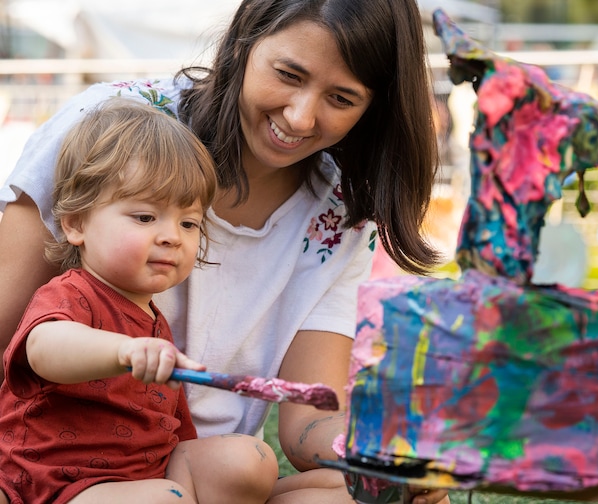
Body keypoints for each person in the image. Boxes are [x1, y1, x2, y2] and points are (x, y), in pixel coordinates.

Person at [0, 1, 448, 503]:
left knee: (354, 491)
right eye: (287, 74)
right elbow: (18, 337)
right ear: (245, 41)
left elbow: (308, 423)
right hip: (62, 471)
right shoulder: (111, 132)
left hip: (197, 469)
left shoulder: (342, 210)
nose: (300, 118)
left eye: (341, 98)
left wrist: (386, 457)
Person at [0, 98, 279, 504]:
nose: (172, 236)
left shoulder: (153, 321)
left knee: (249, 459)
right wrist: (125, 350)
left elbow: (168, 424)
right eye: (146, 217)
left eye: (188, 223)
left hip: (144, 474)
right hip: (52, 481)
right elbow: (43, 349)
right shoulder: (74, 293)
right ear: (77, 223)